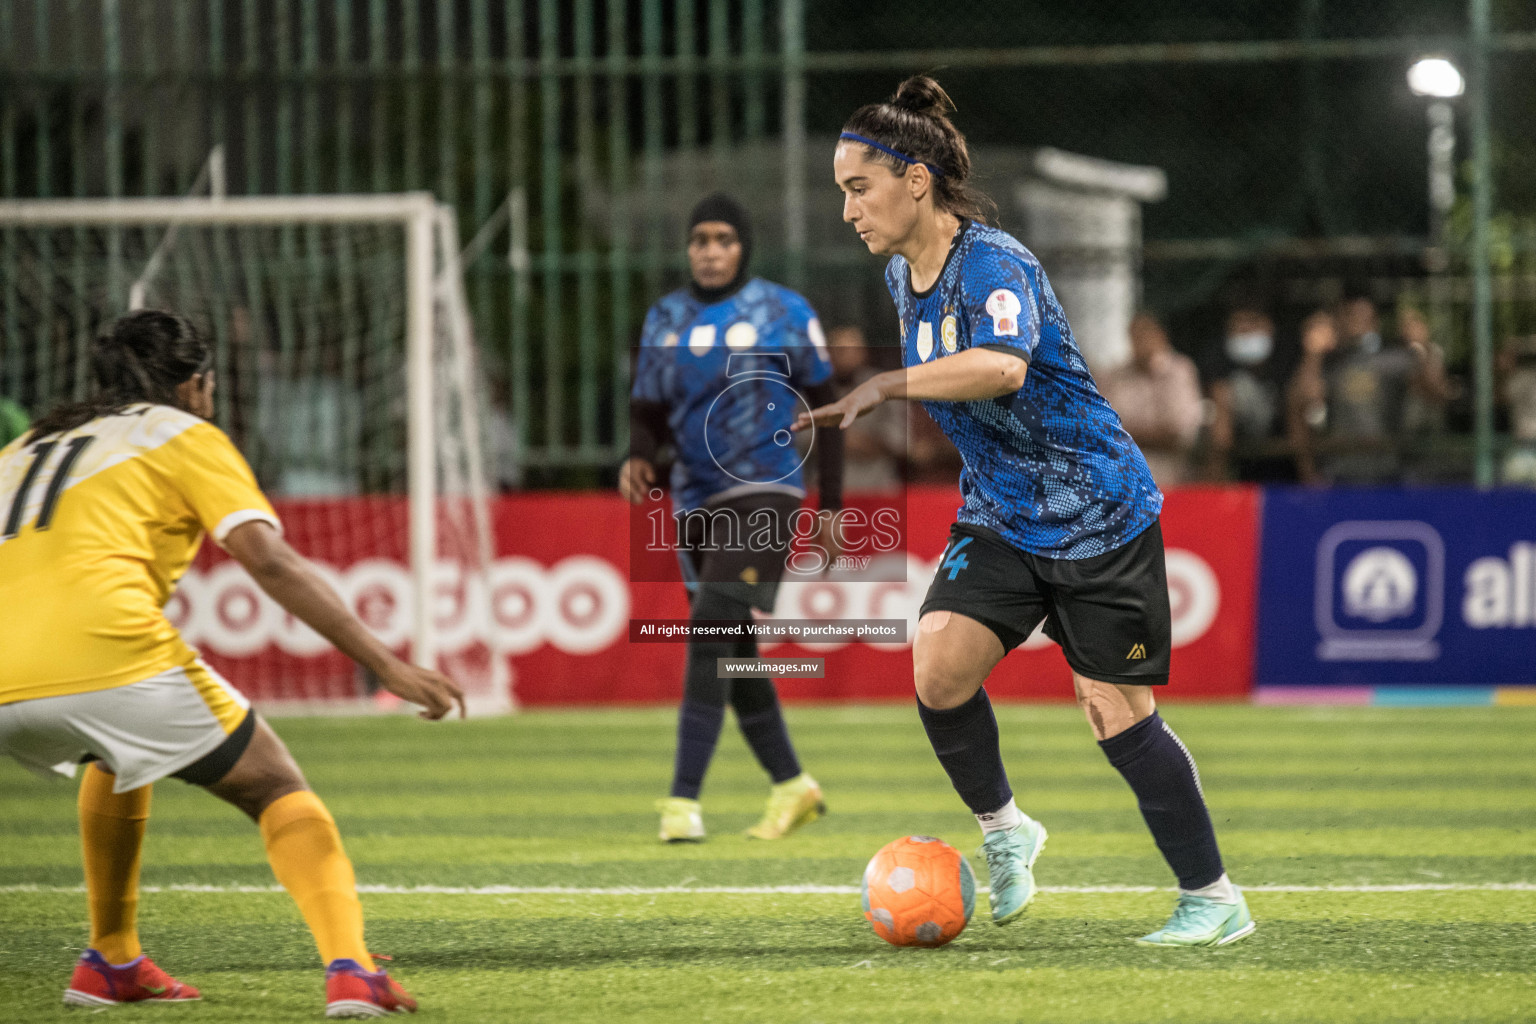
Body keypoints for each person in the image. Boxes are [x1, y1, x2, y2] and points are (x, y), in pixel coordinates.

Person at [801, 76, 1254, 947]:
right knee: (936, 662)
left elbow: (1002, 367)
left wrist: (888, 385)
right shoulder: (905, 274)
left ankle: (1213, 897)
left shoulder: (995, 260)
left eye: (858, 187)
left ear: (915, 179)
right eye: (843, 193)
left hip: (1096, 513)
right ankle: (1009, 832)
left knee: (1114, 710)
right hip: (1003, 514)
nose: (849, 209)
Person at [0, 310, 464, 1017]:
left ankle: (112, 958)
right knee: (276, 785)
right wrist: (389, 666)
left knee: (117, 751)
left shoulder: (27, 444)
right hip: (105, 653)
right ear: (195, 385)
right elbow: (269, 560)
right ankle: (352, 969)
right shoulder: (183, 433)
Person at [620, 193, 844, 844]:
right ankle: (793, 785)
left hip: (767, 492)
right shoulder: (665, 317)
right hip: (692, 500)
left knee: (710, 627)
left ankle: (681, 801)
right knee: (733, 649)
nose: (710, 251)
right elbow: (646, 409)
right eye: (699, 240)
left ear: (743, 246)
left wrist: (829, 507)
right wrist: (638, 455)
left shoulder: (784, 311)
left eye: (723, 239)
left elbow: (826, 408)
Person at [1097, 311, 1204, 488]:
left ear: (1161, 334)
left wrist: (1128, 435)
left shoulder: (1180, 371)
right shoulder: (1114, 377)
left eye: (1146, 333)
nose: (1140, 340)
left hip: (1174, 483)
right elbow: (1103, 431)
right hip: (1122, 485)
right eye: (1135, 335)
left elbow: (1180, 436)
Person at [1204, 305, 1288, 481]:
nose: (1245, 333)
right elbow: (1221, 434)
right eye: (1239, 328)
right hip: (1241, 474)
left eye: (1252, 325)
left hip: (1287, 474)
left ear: (1269, 327)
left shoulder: (1287, 361)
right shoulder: (1220, 366)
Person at [828, 324, 905, 492]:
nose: (847, 357)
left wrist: (837, 439)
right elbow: (802, 439)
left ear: (864, 352)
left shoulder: (885, 386)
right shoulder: (814, 390)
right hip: (828, 493)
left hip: (879, 490)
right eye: (840, 350)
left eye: (853, 350)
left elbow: (900, 442)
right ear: (829, 354)